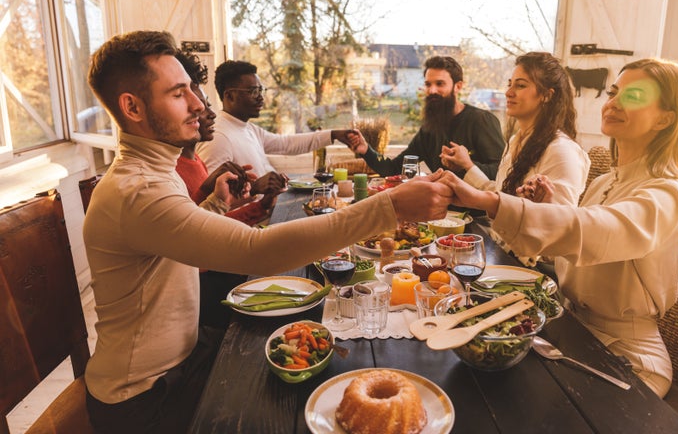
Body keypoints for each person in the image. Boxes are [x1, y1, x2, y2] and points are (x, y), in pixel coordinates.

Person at [83, 30, 453, 433]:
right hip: (145, 399)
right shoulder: (138, 189)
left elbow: (169, 242)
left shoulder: (154, 171)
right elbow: (258, 251)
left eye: (192, 89)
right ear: (132, 107)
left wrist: (213, 205)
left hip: (184, 362)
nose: (196, 103)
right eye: (177, 94)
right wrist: (390, 206)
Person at [438, 58, 678, 398]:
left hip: (630, 357)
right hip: (571, 334)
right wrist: (542, 210)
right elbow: (571, 248)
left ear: (666, 118)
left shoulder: (667, 192)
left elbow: (598, 231)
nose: (614, 103)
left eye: (633, 96)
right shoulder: (606, 181)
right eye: (613, 92)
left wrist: (491, 202)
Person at [440, 52, 590, 265]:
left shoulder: (562, 151)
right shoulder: (515, 141)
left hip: (531, 270)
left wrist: (537, 209)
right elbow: (501, 195)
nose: (508, 92)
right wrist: (467, 166)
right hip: (499, 254)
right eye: (510, 84)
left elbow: (560, 233)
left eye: (520, 85)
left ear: (547, 95)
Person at [174, 50, 288, 328]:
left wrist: (259, 204)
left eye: (204, 104)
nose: (208, 113)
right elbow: (198, 242)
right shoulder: (173, 171)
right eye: (196, 106)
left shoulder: (195, 160)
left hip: (214, 266)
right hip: (205, 285)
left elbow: (211, 221)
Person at [347, 56, 505, 179]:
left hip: (477, 217)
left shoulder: (481, 121)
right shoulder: (429, 129)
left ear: (458, 86)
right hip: (437, 213)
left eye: (440, 84)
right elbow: (394, 168)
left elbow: (502, 173)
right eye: (428, 84)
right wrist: (366, 150)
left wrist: (467, 165)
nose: (432, 90)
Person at [196, 59, 357, 176]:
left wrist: (333, 135)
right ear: (229, 96)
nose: (260, 97)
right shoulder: (218, 137)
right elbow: (211, 202)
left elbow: (286, 144)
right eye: (253, 91)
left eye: (261, 90)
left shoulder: (247, 128)